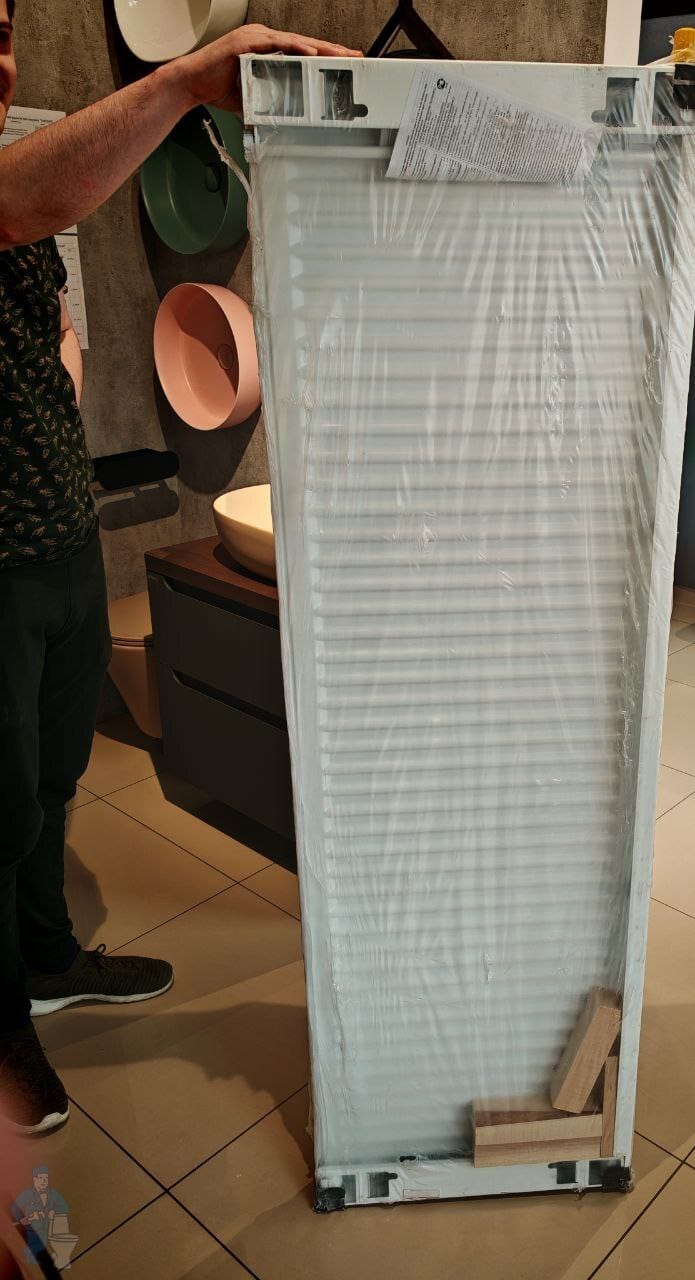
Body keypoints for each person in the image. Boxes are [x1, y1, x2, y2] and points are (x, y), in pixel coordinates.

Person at [0, 1, 361, 1134]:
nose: (0, 60)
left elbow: (49, 301)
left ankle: (47, 956)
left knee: (51, 779)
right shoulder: (16, 184)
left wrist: (60, 368)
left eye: (3, 33)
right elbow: (25, 202)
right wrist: (189, 81)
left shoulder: (17, 180)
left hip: (59, 538)